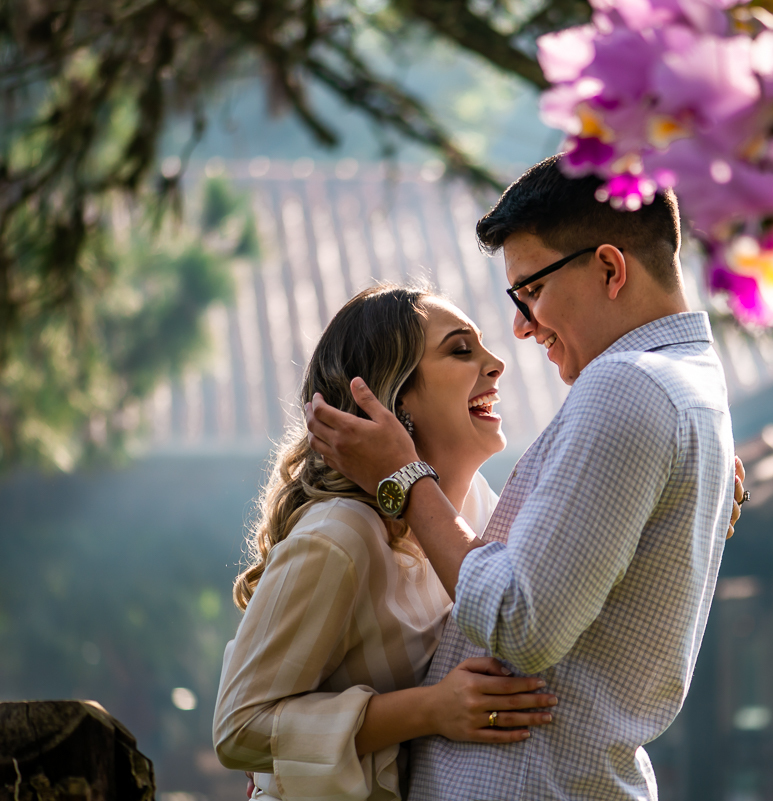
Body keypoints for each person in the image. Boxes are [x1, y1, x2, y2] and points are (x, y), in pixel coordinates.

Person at [305, 155, 741, 800]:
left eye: (531, 290)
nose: (521, 326)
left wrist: (402, 480)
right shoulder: (693, 388)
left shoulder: (627, 385)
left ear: (609, 269)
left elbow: (518, 622)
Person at [213, 285, 559, 801]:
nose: (497, 364)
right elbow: (238, 728)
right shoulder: (340, 537)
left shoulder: (476, 510)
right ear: (393, 402)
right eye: (461, 350)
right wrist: (431, 709)